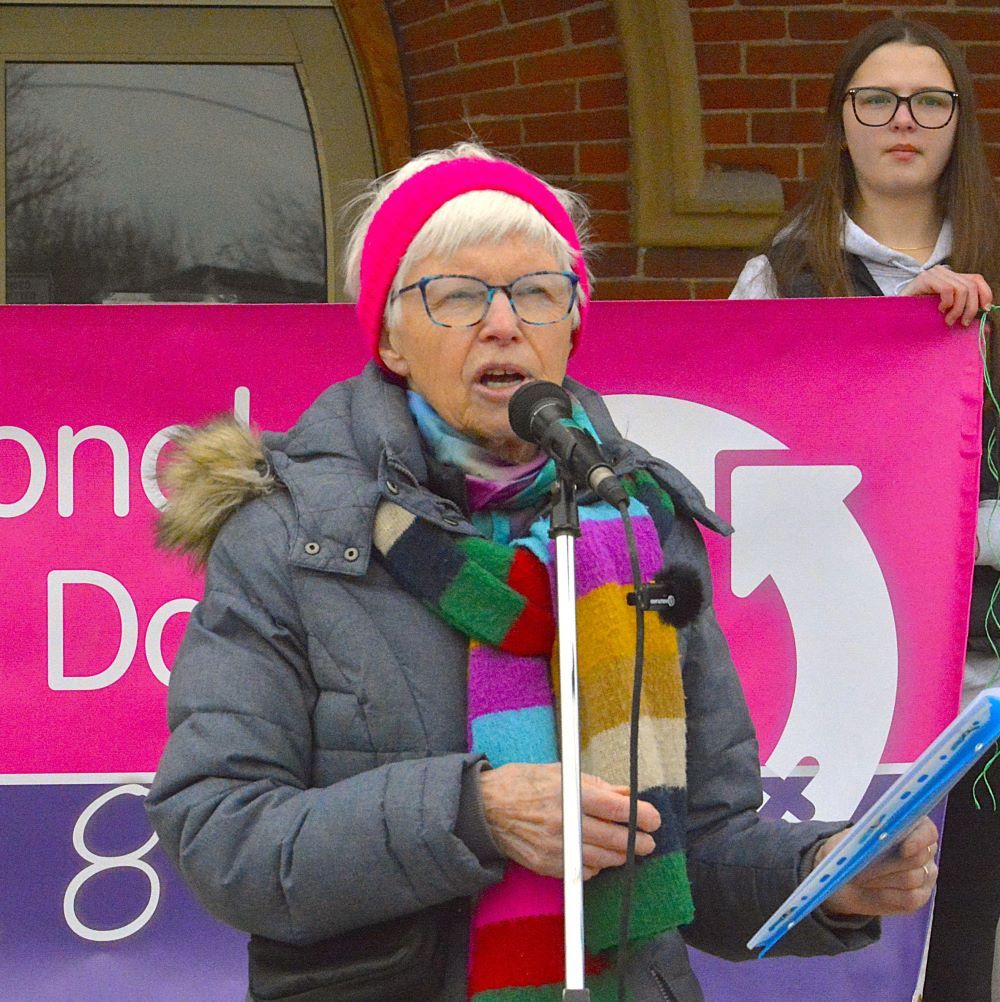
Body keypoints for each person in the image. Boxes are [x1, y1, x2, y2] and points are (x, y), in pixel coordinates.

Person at [146, 142, 937, 1002]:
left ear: (570, 327)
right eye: (455, 296)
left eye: (535, 292)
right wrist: (470, 815)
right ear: (390, 338)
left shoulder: (639, 526)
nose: (501, 322)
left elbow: (698, 843)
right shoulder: (287, 537)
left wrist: (822, 875)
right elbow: (218, 833)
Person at [729, 18, 1000, 1001]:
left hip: (983, 701)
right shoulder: (781, 279)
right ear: (840, 122)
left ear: (957, 125)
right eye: (875, 99)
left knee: (962, 957)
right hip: (840, 680)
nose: (902, 121)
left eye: (928, 101)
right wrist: (890, 347)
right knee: (832, 950)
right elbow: (746, 469)